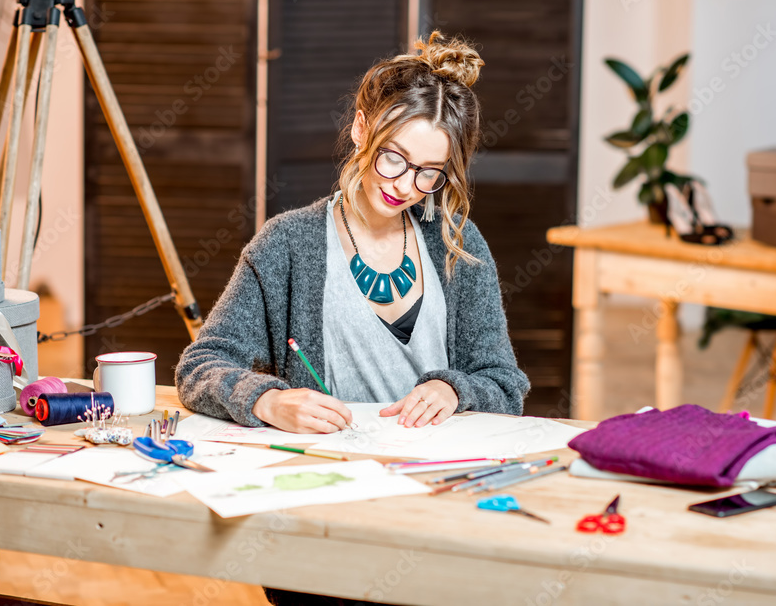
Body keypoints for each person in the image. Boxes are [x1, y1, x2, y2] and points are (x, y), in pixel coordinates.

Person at [175, 31, 530, 439]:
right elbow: (200, 364)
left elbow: (504, 382)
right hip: (333, 467)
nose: (404, 185)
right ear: (361, 129)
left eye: (429, 171)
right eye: (393, 158)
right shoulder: (287, 244)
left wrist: (453, 388)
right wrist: (265, 400)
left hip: (434, 471)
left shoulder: (457, 243)